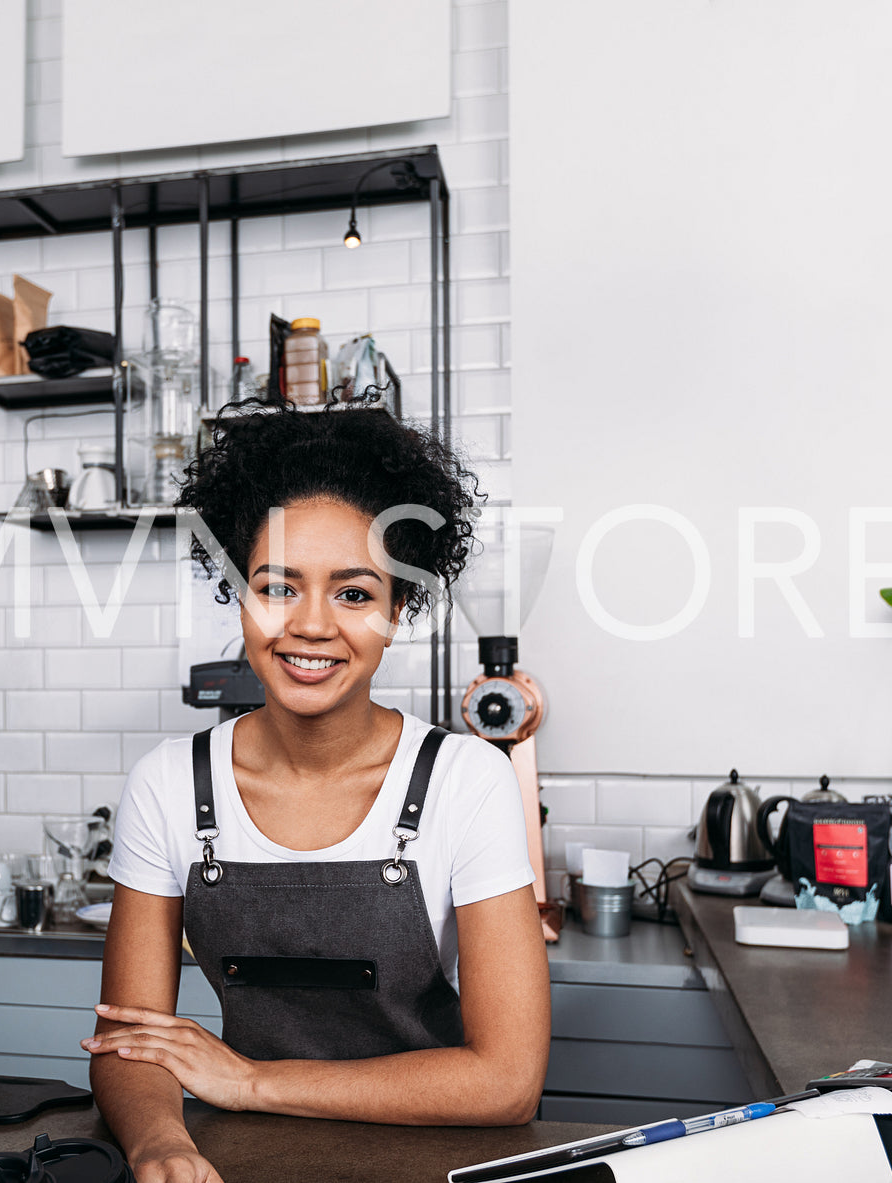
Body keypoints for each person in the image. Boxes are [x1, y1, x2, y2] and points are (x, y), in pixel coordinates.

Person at [83, 401, 551, 1183]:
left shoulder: (464, 779)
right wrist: (159, 1142)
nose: (309, 625)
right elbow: (132, 1042)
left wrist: (248, 1079)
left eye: (354, 594)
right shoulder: (169, 783)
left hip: (427, 1161)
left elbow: (506, 1081)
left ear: (397, 612)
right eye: (277, 586)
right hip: (233, 1159)